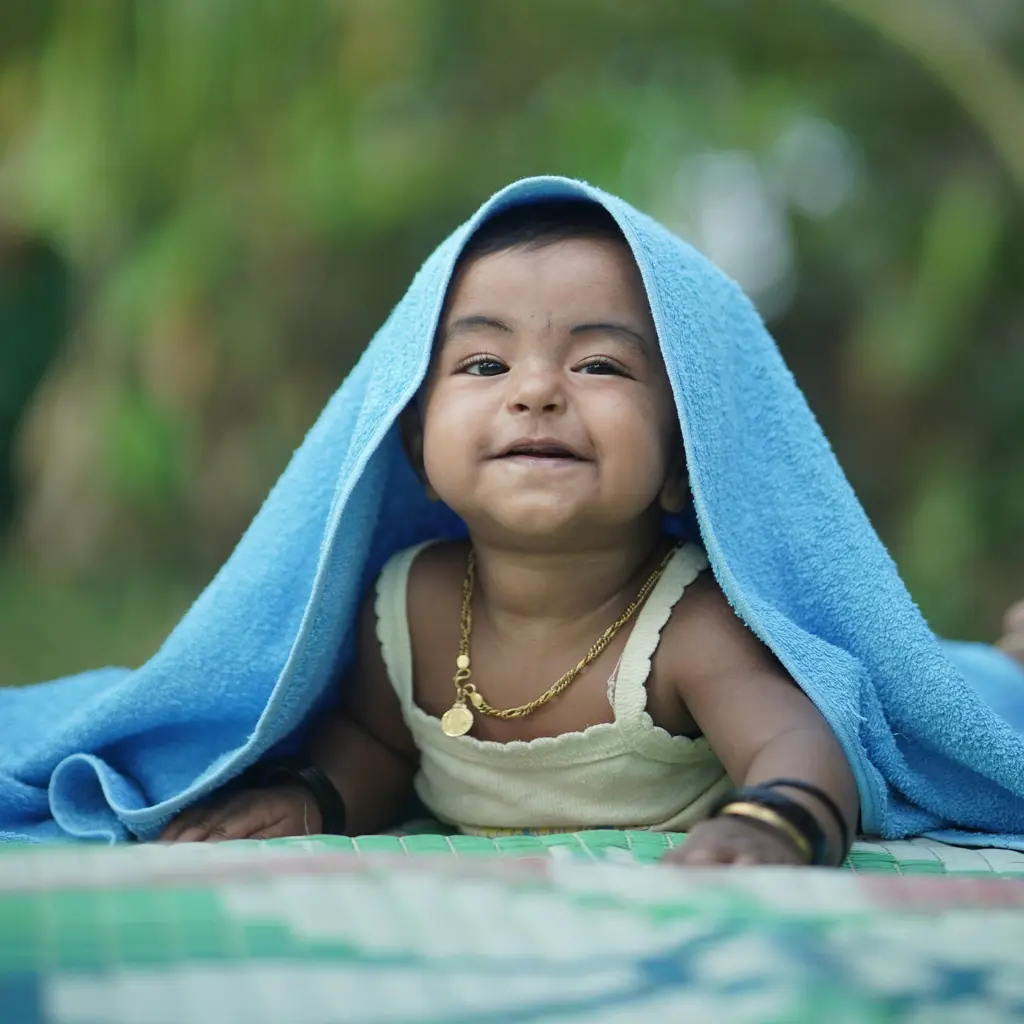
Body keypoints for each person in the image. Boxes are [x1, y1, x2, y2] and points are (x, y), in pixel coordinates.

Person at [158, 201, 867, 866]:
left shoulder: (689, 626)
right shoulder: (412, 605)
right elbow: (377, 746)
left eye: (599, 365)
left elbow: (793, 739)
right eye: (485, 364)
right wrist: (309, 799)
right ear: (417, 453)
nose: (535, 391)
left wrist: (771, 825)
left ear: (684, 462)